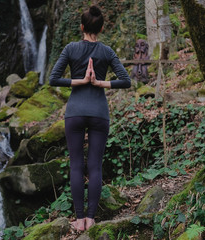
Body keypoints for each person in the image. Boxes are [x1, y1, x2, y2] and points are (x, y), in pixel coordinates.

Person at [49, 5, 131, 231]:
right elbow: (126, 81)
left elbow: (53, 79)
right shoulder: (106, 51)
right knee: (94, 165)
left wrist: (80, 81)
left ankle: (79, 220)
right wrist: (98, 83)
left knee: (76, 165)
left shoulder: (71, 49)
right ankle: (92, 219)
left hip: (75, 111)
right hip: (99, 112)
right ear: (102, 28)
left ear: (82, 27)